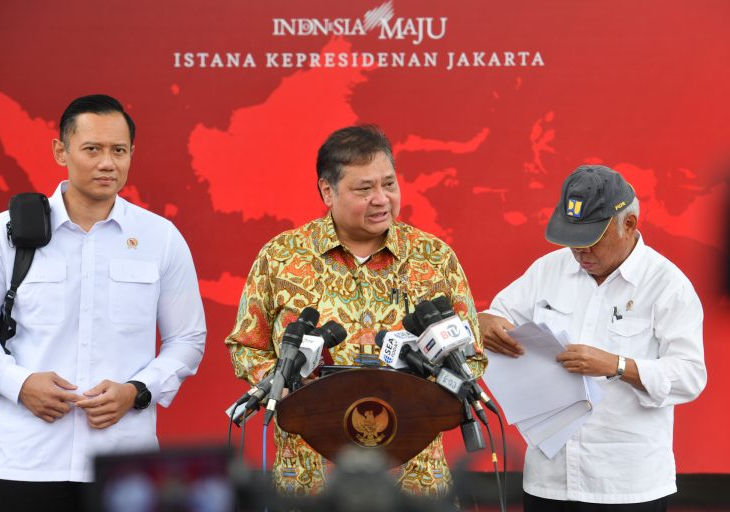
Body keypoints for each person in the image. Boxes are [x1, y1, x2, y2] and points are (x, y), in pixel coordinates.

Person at [0, 94, 206, 511]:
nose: (107, 163)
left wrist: (138, 391)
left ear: (131, 154)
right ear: (61, 151)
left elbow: (188, 338)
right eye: (92, 149)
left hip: (124, 460)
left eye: (119, 151)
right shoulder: (5, 233)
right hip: (29, 457)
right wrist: (20, 384)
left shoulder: (160, 238)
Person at [225, 125, 484, 497]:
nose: (381, 199)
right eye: (364, 189)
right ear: (327, 191)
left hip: (415, 482)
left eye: (389, 184)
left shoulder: (434, 258)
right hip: (310, 479)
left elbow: (471, 356)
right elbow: (246, 345)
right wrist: (287, 387)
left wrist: (426, 389)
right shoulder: (281, 257)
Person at [478, 165, 707, 511]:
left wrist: (616, 365)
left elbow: (690, 375)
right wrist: (484, 322)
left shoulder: (667, 286)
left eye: (590, 240)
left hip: (626, 483)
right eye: (571, 240)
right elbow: (498, 315)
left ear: (629, 225)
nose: (579, 252)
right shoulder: (548, 270)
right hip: (549, 479)